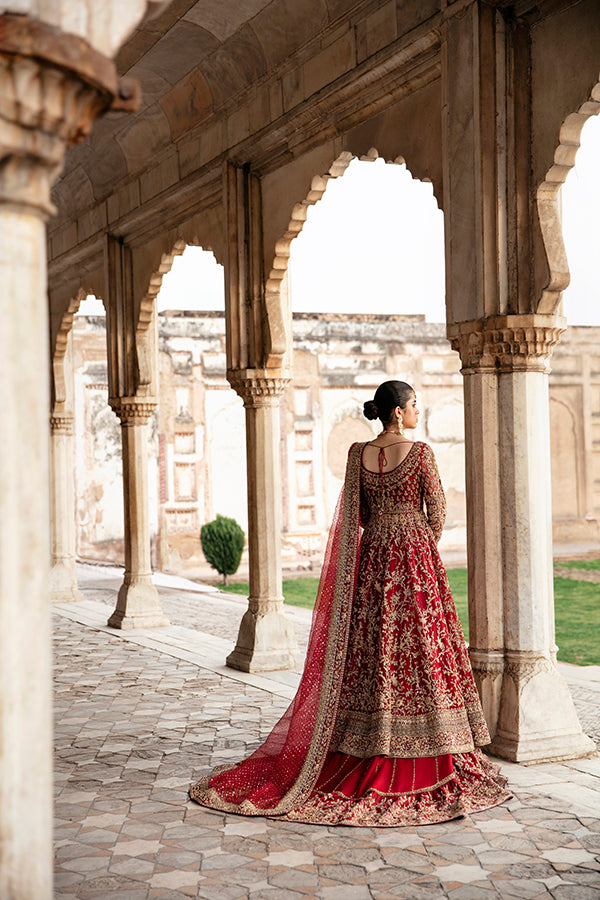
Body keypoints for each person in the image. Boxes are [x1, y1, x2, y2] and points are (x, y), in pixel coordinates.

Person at [190, 380, 510, 826]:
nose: (419, 410)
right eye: (414, 404)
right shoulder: (420, 454)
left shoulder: (357, 454)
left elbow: (355, 517)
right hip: (414, 562)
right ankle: (431, 752)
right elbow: (437, 513)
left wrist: (383, 532)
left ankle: (362, 739)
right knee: (420, 652)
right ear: (398, 412)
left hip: (373, 560)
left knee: (372, 651)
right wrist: (414, 543)